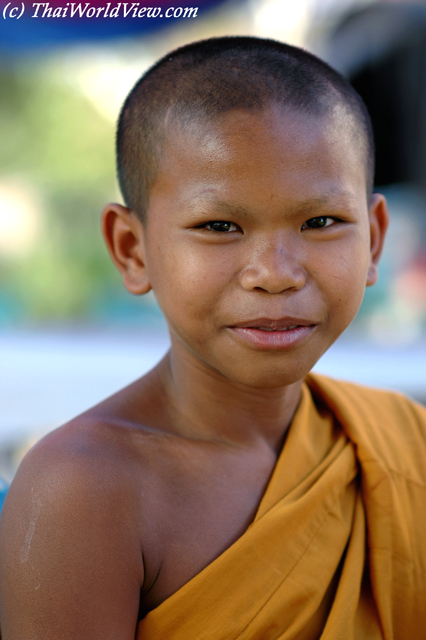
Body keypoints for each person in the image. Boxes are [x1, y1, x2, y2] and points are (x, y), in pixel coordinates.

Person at [0, 36, 425, 640]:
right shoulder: (85, 489)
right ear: (132, 249)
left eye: (322, 222)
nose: (276, 272)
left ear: (375, 241)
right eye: (219, 225)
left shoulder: (403, 444)